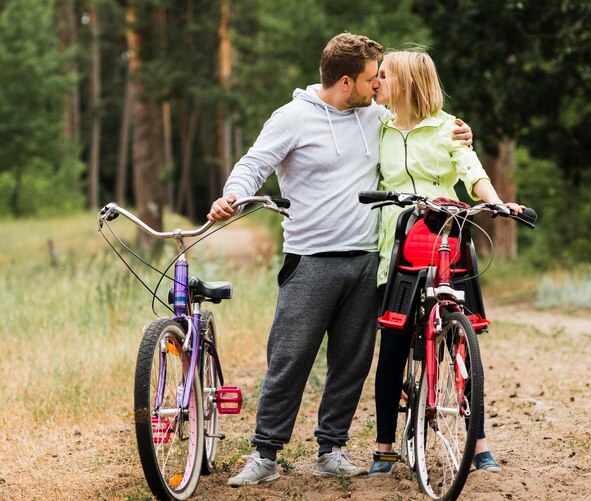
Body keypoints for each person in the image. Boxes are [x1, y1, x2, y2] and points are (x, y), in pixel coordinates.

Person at [208, 33, 472, 486]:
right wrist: (233, 195)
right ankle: (264, 455)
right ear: (346, 82)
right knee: (290, 358)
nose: (379, 85)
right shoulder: (290, 119)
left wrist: (462, 131)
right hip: (310, 259)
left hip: (367, 259)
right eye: (372, 77)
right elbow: (254, 164)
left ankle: (331, 448)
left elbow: (424, 121)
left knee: (352, 361)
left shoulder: (378, 116)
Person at [367, 48, 523, 475]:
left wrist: (496, 203)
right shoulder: (377, 124)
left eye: (385, 75)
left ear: (408, 82)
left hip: (445, 238)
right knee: (393, 347)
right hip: (396, 243)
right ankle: (384, 447)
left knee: (462, 341)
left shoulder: (448, 129)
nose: (377, 81)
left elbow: (471, 171)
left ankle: (479, 445)